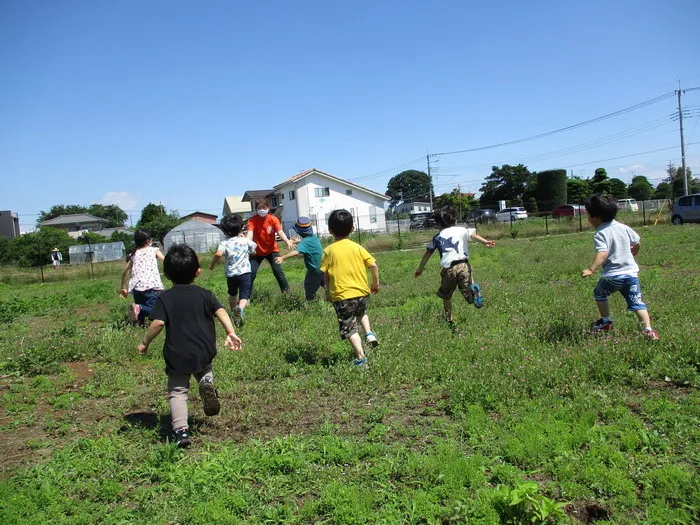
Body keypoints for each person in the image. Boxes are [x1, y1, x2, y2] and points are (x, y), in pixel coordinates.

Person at [137, 244, 242, 447]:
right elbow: (220, 311)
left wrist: (144, 342)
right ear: (198, 272)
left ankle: (181, 432)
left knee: (177, 391)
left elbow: (157, 323)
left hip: (177, 353)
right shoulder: (205, 294)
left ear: (166, 275)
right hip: (203, 349)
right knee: (204, 369)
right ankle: (206, 382)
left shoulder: (164, 298)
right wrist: (230, 332)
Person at [581, 194, 660, 340]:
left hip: (612, 276)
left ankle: (606, 322)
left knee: (599, 293)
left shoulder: (601, 233)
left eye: (588, 216)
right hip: (631, 274)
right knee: (637, 302)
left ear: (596, 218)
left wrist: (591, 269)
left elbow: (602, 253)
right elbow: (637, 241)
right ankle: (649, 330)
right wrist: (635, 250)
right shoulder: (623, 227)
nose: (588, 219)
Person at [414, 207, 495, 332]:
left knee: (446, 296)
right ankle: (474, 292)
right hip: (463, 265)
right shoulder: (462, 230)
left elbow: (427, 254)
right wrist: (486, 242)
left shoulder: (438, 236)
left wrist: (420, 269)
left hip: (448, 269)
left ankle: (449, 318)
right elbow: (473, 235)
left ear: (438, 224)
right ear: (455, 221)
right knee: (468, 294)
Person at [320, 209, 379, 367]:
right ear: (352, 228)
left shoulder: (328, 251)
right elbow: (373, 265)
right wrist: (375, 284)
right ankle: (368, 333)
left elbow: (324, 274)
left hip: (342, 295)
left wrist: (327, 290)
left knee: (349, 328)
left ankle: (361, 357)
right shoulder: (357, 247)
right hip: (361, 291)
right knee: (361, 313)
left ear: (330, 230)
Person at [209, 214, 257, 326]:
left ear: (225, 231)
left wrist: (212, 265)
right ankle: (240, 308)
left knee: (232, 294)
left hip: (231, 274)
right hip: (245, 272)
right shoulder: (245, 241)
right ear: (240, 228)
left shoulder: (224, 243)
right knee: (245, 295)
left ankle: (235, 314)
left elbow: (218, 254)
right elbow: (254, 252)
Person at [246, 198, 295, 294]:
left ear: (268, 208)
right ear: (256, 209)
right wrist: (247, 243)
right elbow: (250, 232)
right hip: (257, 251)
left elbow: (280, 231)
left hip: (272, 250)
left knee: (278, 272)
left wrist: (287, 241)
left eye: (264, 207)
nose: (262, 210)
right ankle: (246, 297)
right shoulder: (252, 220)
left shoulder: (273, 219)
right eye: (259, 208)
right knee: (251, 273)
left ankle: (287, 294)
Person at [120, 230, 165, 325]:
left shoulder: (134, 254)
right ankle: (139, 309)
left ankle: (139, 323)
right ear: (148, 241)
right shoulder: (154, 250)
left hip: (136, 287)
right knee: (155, 313)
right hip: (151, 286)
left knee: (139, 312)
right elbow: (165, 260)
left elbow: (125, 272)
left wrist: (123, 287)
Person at [275, 216, 324, 300]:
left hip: (314, 271)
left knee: (309, 287)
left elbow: (295, 252)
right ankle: (331, 299)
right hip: (323, 268)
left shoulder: (305, 242)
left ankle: (311, 305)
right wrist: (298, 241)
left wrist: (282, 257)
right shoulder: (314, 237)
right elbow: (307, 243)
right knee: (326, 285)